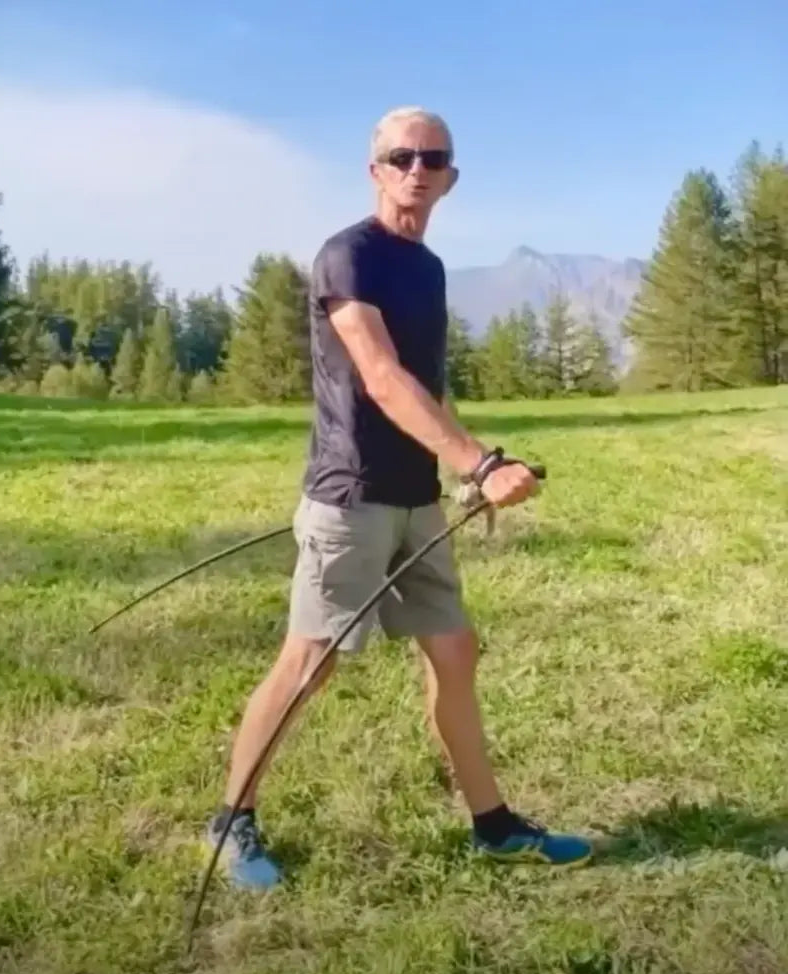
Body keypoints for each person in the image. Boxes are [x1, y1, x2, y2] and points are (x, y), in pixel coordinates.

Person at [206, 106, 593, 887]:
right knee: (309, 665)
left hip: (418, 500)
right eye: (402, 156)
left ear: (451, 177)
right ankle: (231, 822)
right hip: (350, 498)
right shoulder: (347, 257)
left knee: (455, 651)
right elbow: (379, 378)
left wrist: (465, 461)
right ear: (375, 167)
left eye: (434, 158)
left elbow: (423, 390)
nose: (418, 169)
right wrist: (480, 467)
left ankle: (492, 827)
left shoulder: (430, 268)